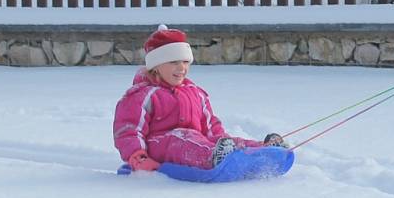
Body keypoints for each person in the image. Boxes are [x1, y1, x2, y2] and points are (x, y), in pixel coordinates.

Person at [113, 25, 285, 172]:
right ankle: (214, 158)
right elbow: (128, 130)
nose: (181, 68)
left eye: (185, 62)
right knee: (181, 138)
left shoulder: (195, 92)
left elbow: (211, 126)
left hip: (197, 141)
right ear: (156, 66)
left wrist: (223, 141)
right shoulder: (143, 95)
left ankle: (263, 150)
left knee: (217, 140)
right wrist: (138, 157)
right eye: (173, 62)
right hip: (159, 146)